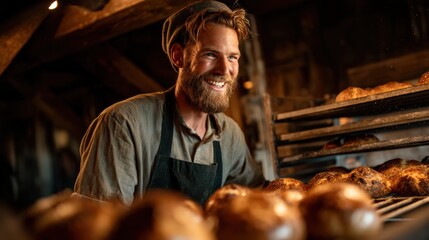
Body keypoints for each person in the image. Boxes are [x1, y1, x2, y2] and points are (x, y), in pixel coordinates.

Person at [72, 0, 265, 206]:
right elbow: (98, 225)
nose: (224, 69)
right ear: (178, 56)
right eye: (210, 54)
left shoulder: (230, 135)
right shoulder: (124, 124)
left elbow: (258, 199)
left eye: (232, 57)